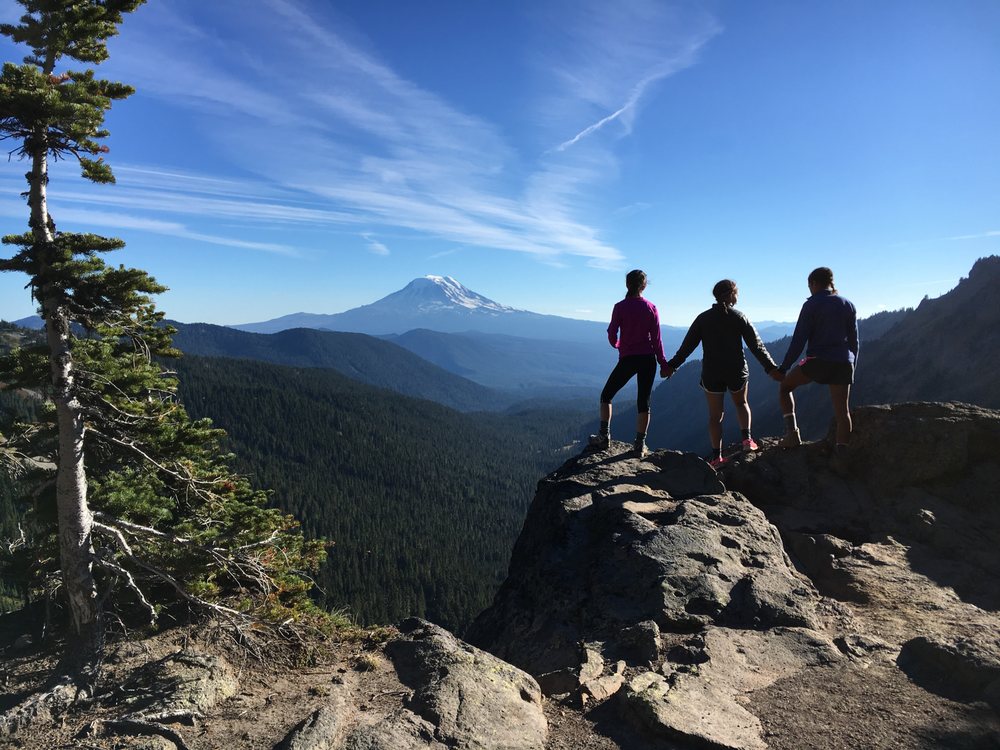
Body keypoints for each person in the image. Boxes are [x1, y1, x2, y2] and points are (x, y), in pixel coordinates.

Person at [662, 279, 778, 468]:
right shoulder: (739, 317)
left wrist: (672, 366)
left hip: (712, 372)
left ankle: (717, 457)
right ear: (731, 294)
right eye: (737, 292)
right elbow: (757, 346)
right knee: (741, 403)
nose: (738, 296)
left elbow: (687, 347)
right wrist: (771, 368)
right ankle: (747, 441)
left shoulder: (703, 318)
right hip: (736, 370)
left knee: (715, 416)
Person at [772, 267, 859, 453]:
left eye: (809, 286)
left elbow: (799, 340)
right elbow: (854, 341)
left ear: (813, 283)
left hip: (818, 361)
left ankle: (792, 435)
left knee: (785, 387)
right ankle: (841, 457)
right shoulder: (848, 304)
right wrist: (853, 365)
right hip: (844, 362)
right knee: (843, 413)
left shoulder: (811, 305)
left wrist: (784, 367)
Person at [589, 269, 669, 458]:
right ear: (644, 286)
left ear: (627, 284)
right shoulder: (651, 307)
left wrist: (618, 345)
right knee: (644, 402)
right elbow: (657, 339)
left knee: (607, 395)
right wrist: (663, 363)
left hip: (629, 358)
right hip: (648, 359)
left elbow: (612, 333)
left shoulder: (620, 307)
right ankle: (640, 445)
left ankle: (604, 436)